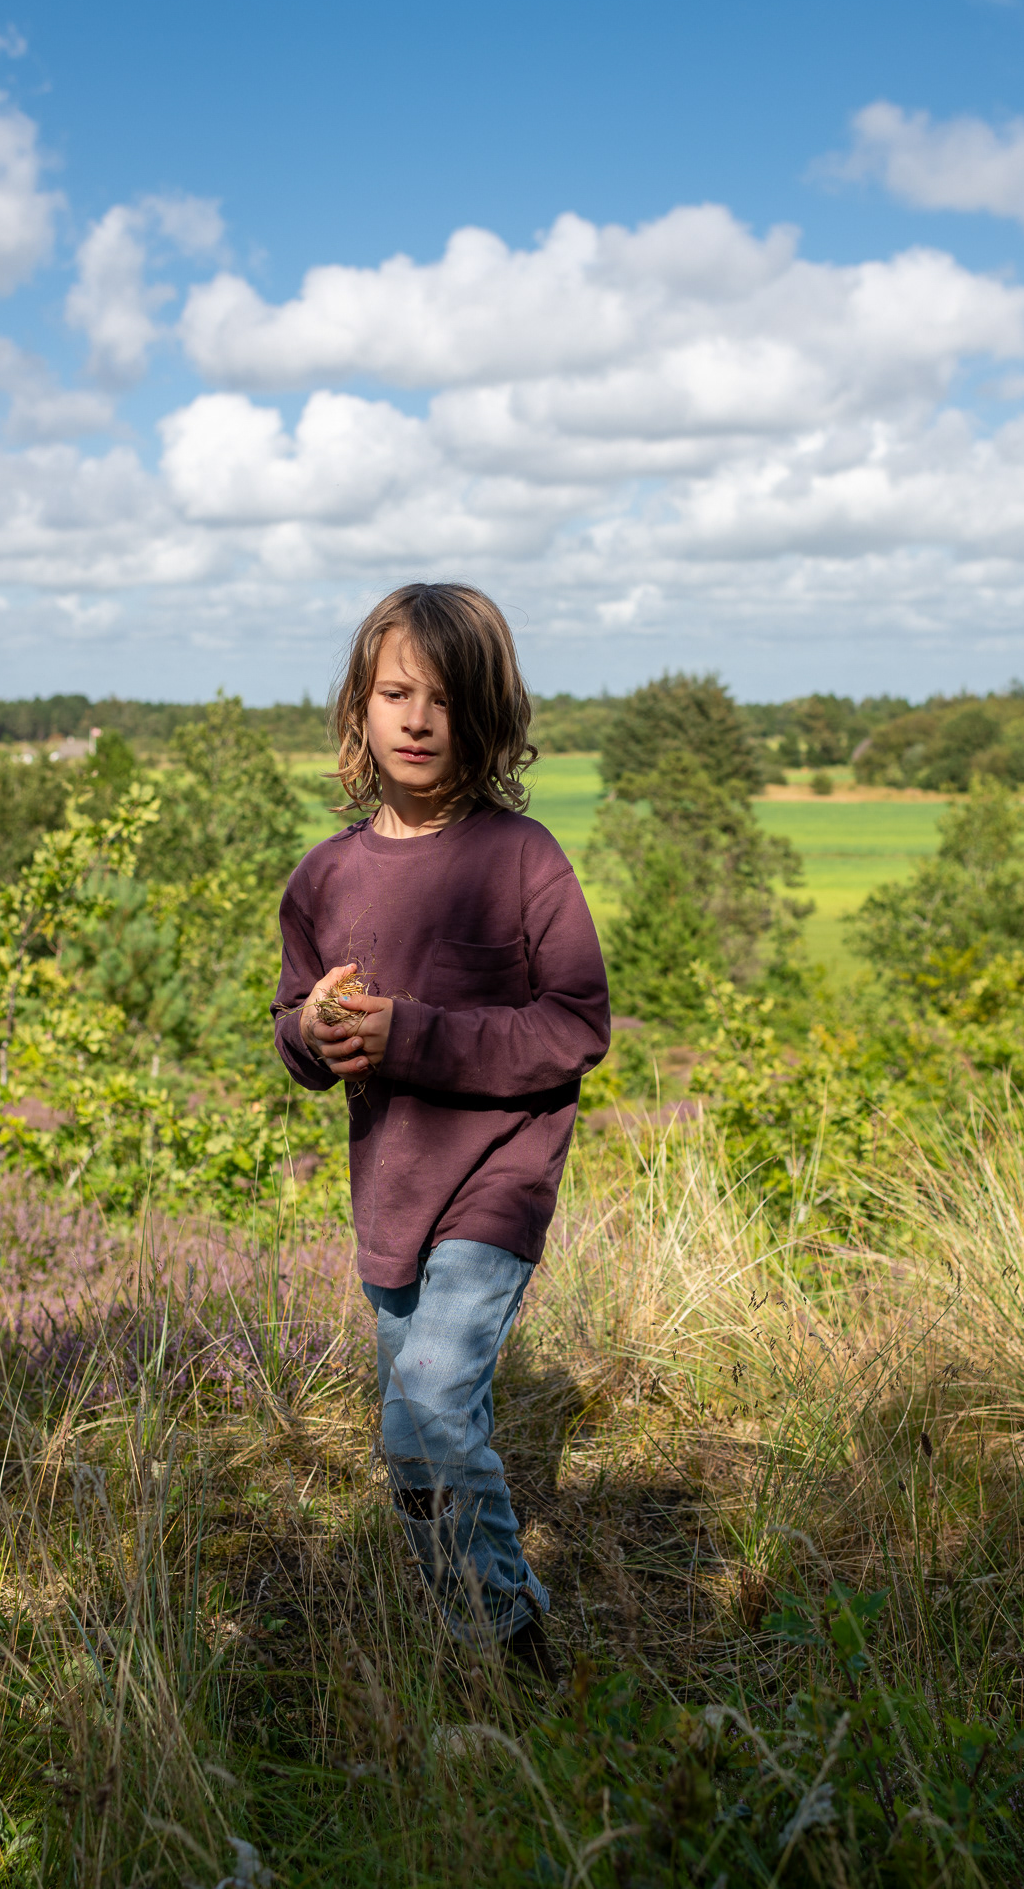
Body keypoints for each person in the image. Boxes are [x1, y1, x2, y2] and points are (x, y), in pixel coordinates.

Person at [271, 582, 610, 1673]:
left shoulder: (521, 857)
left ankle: (508, 1639)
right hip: (391, 1197)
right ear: (358, 709)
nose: (418, 720)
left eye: (447, 699)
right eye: (396, 693)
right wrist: (312, 1030)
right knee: (419, 1434)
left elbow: (575, 1026)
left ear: (489, 716)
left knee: (422, 1410)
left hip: (497, 1184)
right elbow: (292, 1029)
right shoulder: (323, 875)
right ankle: (466, 1619)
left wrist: (410, 1034)